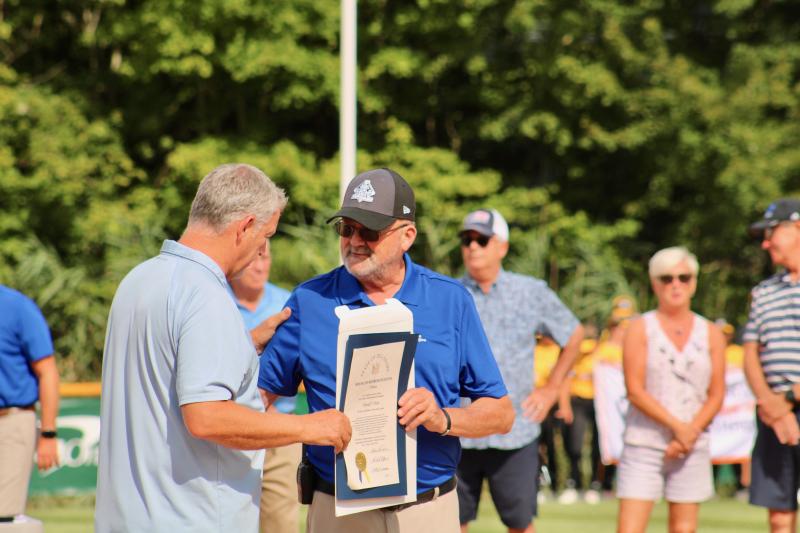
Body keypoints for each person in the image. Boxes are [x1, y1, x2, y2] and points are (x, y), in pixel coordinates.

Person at [95, 163, 352, 532]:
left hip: (126, 517)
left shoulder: (140, 279)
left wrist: (242, 346)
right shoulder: (206, 296)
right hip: (190, 517)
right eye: (266, 236)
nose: (262, 250)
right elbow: (207, 417)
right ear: (245, 227)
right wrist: (310, 427)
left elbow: (169, 364)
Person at [259, 169, 515, 533]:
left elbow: (501, 413)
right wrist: (302, 427)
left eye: (370, 231)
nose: (355, 241)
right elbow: (257, 398)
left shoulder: (450, 300)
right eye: (346, 228)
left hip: (428, 510)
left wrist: (442, 418)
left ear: (407, 235)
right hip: (337, 509)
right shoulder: (309, 300)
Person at [456, 208, 584, 533]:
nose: (473, 246)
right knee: (450, 523)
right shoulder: (449, 293)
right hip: (458, 428)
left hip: (515, 430)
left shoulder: (531, 291)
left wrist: (552, 388)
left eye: (481, 239)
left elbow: (574, 334)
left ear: (502, 246)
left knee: (520, 524)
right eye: (467, 239)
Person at [617, 247, 725, 533]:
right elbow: (635, 390)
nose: (675, 284)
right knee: (629, 528)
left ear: (694, 282)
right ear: (655, 283)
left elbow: (716, 394)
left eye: (683, 277)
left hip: (693, 442)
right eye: (667, 278)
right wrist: (679, 428)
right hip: (645, 440)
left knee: (684, 528)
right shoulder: (640, 328)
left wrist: (689, 433)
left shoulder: (711, 332)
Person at [230, 241, 300, 533]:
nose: (260, 266)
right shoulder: (214, 303)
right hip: (230, 430)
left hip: (278, 432)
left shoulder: (290, 303)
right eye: (253, 258)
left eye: (266, 257)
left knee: (282, 523)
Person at [743, 198, 800, 533]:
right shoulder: (763, 291)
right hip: (774, 411)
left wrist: (790, 398)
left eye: (771, 233)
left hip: (787, 401)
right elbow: (751, 351)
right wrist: (771, 404)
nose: (766, 243)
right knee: (779, 517)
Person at [0, 285, 60, 527]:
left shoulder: (17, 307)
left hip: (10, 421)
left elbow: (47, 371)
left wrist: (48, 432)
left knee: (4, 514)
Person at [592, 295, 637, 496]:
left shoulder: (637, 349)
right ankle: (603, 483)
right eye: (619, 325)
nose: (622, 329)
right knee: (604, 439)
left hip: (632, 405)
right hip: (605, 406)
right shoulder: (602, 348)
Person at [558, 331, 603, 505]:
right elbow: (566, 381)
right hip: (577, 402)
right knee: (575, 445)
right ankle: (573, 483)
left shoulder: (604, 354)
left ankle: (595, 484)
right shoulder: (575, 357)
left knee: (597, 447)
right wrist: (565, 405)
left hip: (599, 403)